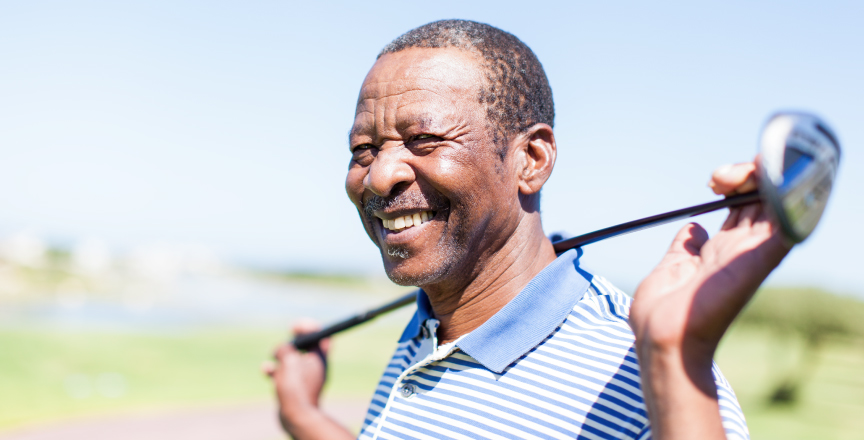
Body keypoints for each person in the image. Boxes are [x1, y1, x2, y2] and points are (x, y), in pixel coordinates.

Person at [264, 19, 789, 440]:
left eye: (423, 139)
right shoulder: (431, 324)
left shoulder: (651, 383)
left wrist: (675, 362)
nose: (379, 175)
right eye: (364, 150)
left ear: (531, 159)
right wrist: (305, 417)